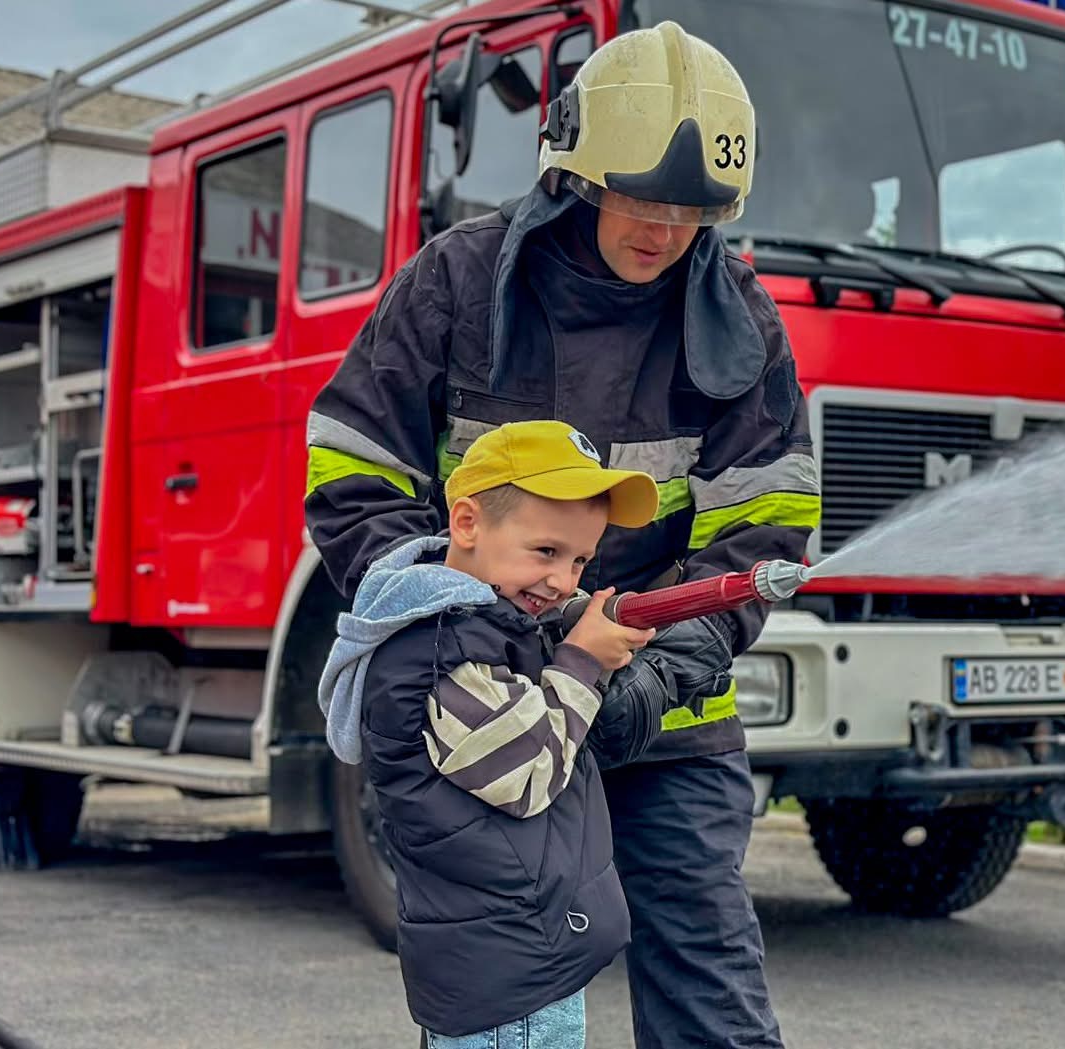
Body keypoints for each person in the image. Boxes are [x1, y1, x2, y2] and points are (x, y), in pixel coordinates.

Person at [306, 20, 820, 1049]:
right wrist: (468, 630)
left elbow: (764, 524)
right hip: (490, 716)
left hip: (664, 714)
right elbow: (351, 470)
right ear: (579, 171)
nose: (665, 229)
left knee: (708, 968)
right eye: (643, 197)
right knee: (506, 991)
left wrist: (651, 672)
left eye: (693, 210)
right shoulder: (455, 283)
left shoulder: (741, 321)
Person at [318, 420, 679, 1047]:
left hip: (519, 963)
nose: (565, 581)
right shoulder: (441, 652)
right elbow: (530, 771)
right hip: (508, 982)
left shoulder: (482, 631)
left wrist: (573, 642)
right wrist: (582, 661)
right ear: (466, 524)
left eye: (580, 560)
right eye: (545, 552)